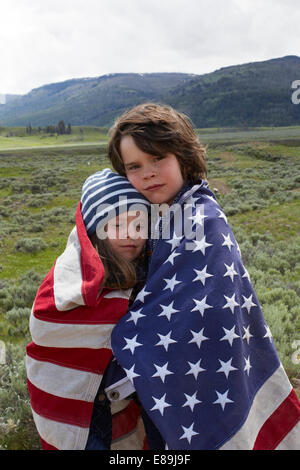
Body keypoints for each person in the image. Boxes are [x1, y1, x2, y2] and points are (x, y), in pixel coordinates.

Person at [107, 102, 300, 450]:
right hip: (166, 383)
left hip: (205, 378)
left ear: (183, 156)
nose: (148, 173)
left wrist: (125, 329)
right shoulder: (153, 216)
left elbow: (200, 309)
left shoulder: (202, 220)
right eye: (134, 166)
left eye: (158, 158)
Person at [26, 168, 161, 450]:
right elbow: (47, 324)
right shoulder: (75, 277)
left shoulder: (148, 267)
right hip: (79, 396)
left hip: (130, 389)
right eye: (117, 224)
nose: (131, 234)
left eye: (139, 225)